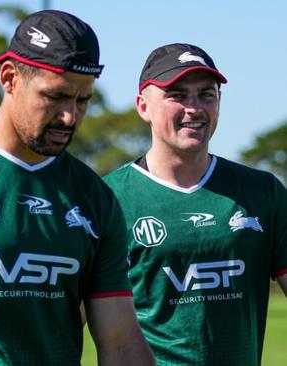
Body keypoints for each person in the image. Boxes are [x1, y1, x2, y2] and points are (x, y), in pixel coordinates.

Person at [0, 10, 155, 365]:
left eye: (83, 101)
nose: (69, 116)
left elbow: (122, 344)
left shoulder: (94, 197)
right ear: (9, 78)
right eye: (55, 96)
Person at [103, 43, 287, 365]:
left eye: (206, 94)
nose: (194, 108)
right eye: (177, 95)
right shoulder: (107, 198)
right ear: (143, 106)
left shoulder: (262, 191)